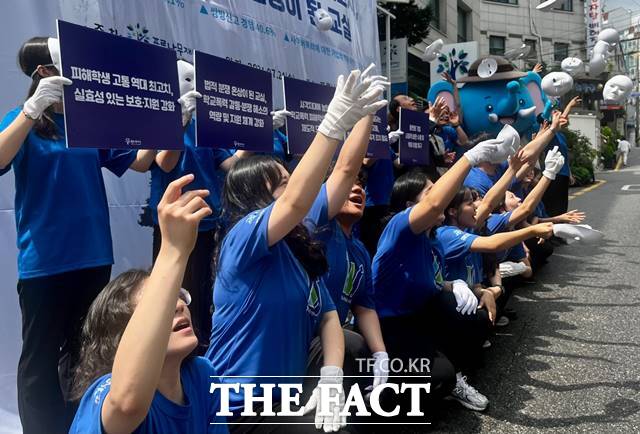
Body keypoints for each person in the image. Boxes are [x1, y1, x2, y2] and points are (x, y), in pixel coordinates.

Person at [206, 67, 388, 432]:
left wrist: (332, 377)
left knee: (349, 366)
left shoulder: (298, 245)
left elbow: (328, 317)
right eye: (283, 186)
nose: (297, 192)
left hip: (285, 397)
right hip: (239, 409)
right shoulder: (241, 238)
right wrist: (334, 122)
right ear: (256, 197)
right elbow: (294, 203)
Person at [0, 37, 155, 434]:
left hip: (92, 255)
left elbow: (137, 162)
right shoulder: (23, 119)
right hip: (46, 260)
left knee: (85, 349)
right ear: (43, 73)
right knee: (40, 358)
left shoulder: (87, 122)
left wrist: (164, 124)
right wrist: (32, 111)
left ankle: (81, 423)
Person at [70, 174, 228, 433]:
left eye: (179, 296)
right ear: (122, 336)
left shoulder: (202, 374)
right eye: (163, 306)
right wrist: (173, 250)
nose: (178, 305)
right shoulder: (107, 391)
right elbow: (126, 404)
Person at [372, 134, 517, 412]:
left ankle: (452, 375)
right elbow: (434, 205)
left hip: (419, 319)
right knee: (436, 380)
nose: (443, 195)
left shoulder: (434, 239)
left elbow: (435, 283)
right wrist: (470, 158)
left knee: (461, 310)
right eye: (431, 191)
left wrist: (465, 287)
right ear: (409, 207)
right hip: (388, 329)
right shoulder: (398, 231)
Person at [150, 60, 249, 351]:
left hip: (207, 220)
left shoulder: (204, 124)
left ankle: (203, 350)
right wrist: (178, 122)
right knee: (177, 291)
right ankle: (176, 355)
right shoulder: (160, 119)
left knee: (205, 293)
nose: (192, 85)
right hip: (175, 221)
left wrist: (252, 138)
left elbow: (227, 163)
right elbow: (163, 163)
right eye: (185, 79)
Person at [304, 116, 389, 391]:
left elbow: (364, 306)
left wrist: (380, 354)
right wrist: (366, 115)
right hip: (302, 342)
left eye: (362, 186)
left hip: (333, 343)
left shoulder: (361, 251)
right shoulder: (316, 226)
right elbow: (345, 167)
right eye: (350, 183)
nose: (357, 189)